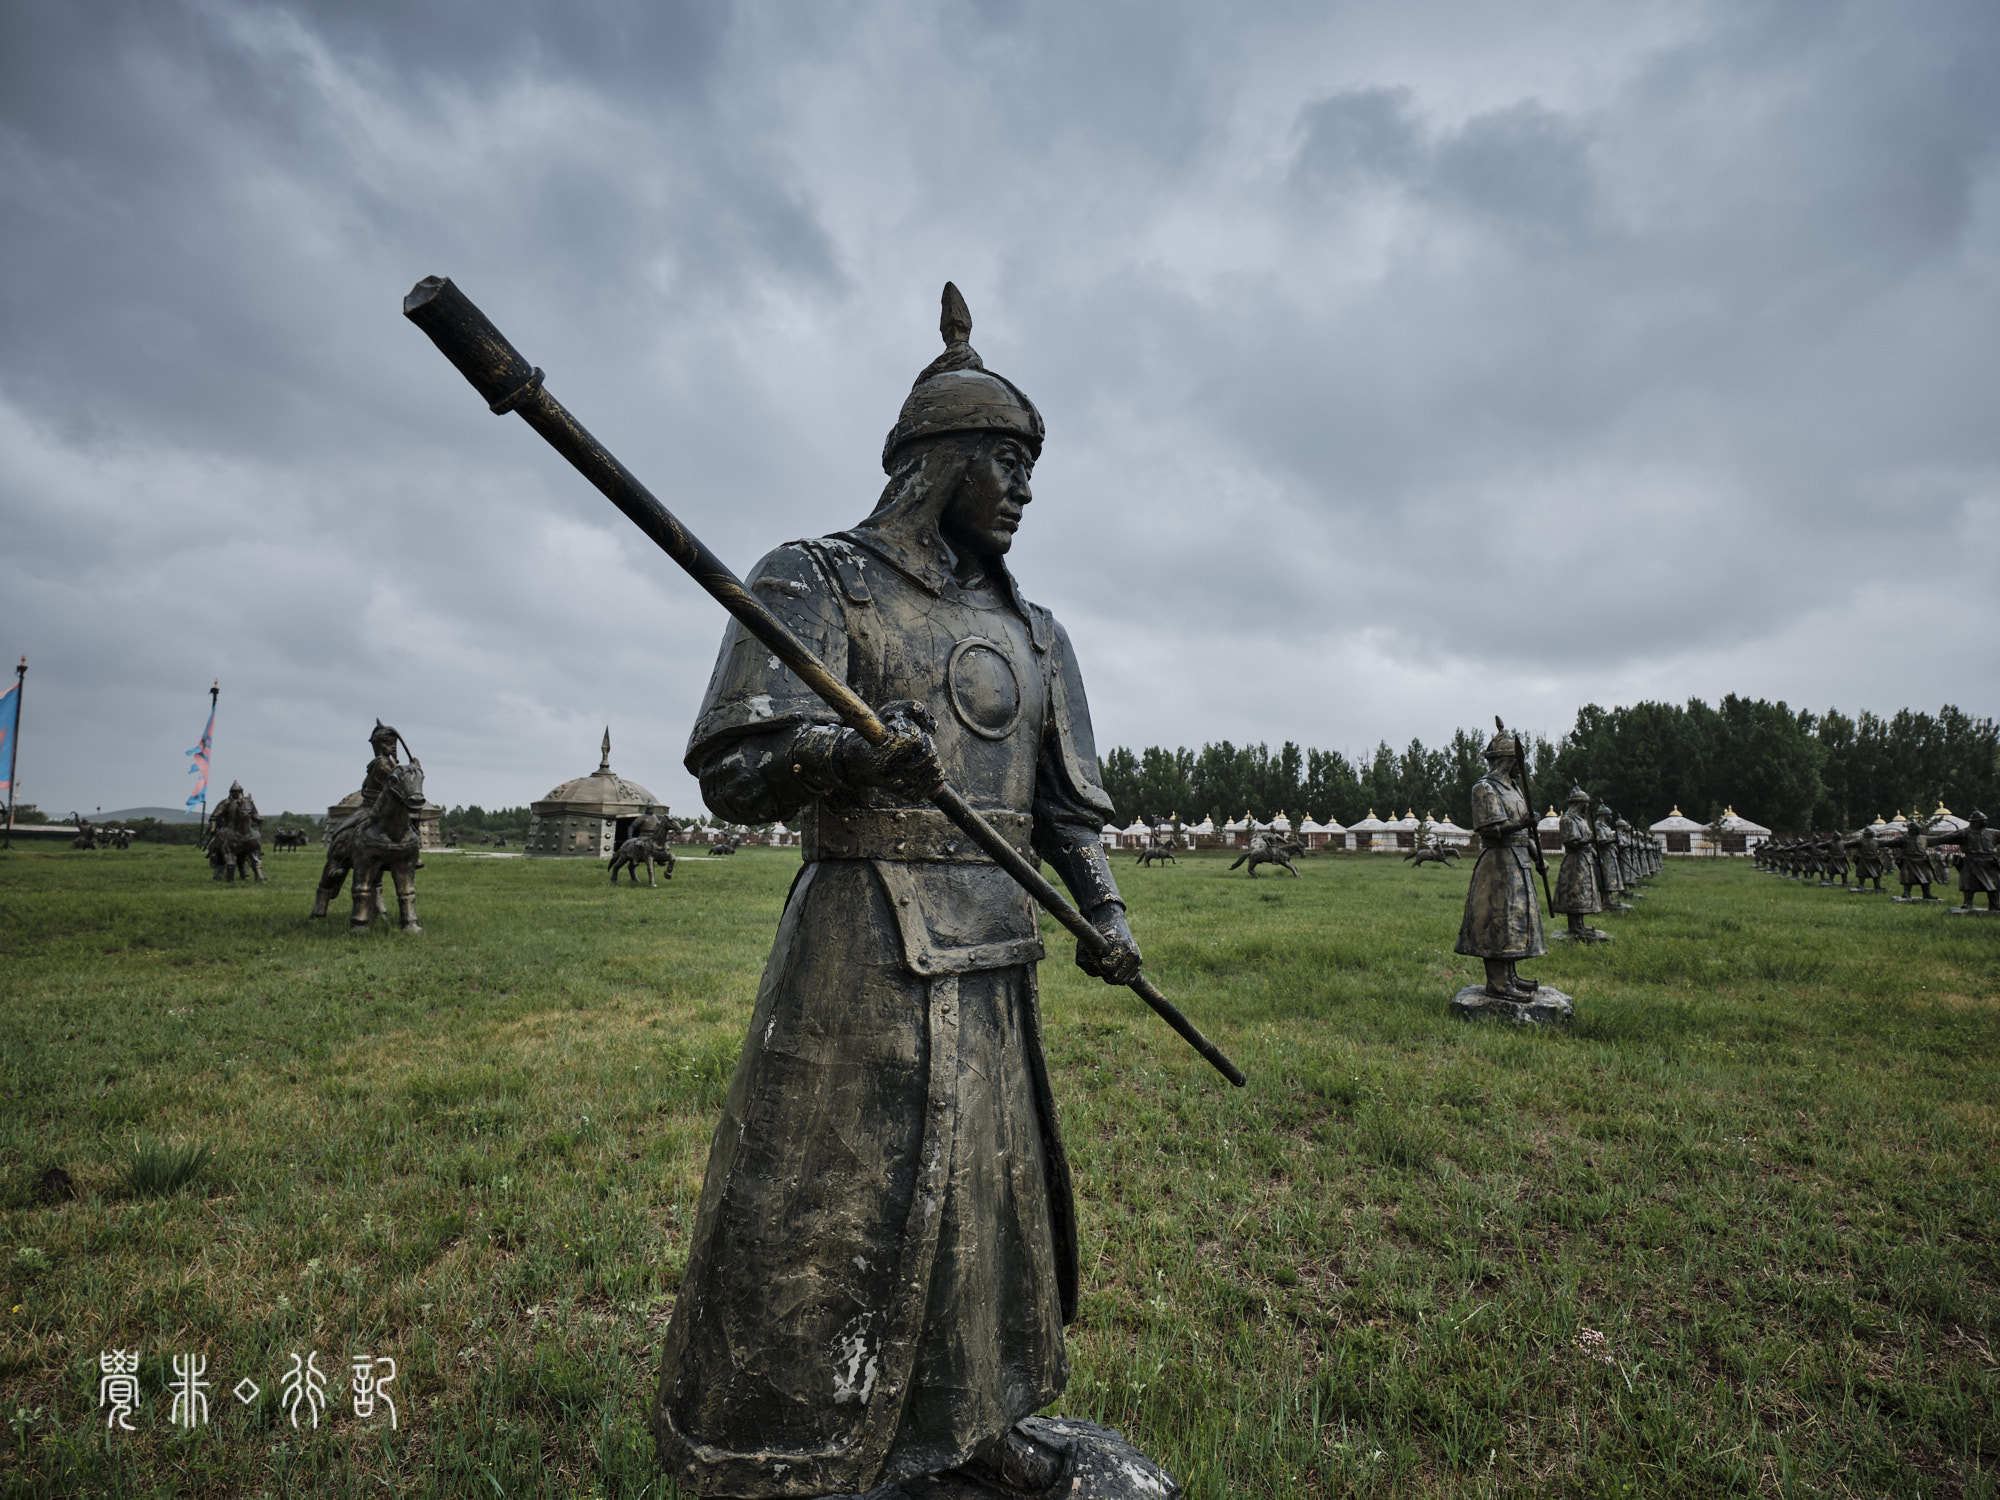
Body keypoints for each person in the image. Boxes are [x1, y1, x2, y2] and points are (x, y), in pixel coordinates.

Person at [654, 284, 1141, 1498]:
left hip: (994, 952)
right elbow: (733, 765)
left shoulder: (1035, 633)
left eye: (1031, 467)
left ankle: (982, 1416)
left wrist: (1106, 917)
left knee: (988, 1200)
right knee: (829, 1205)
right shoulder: (818, 580)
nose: (1023, 490)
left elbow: (1067, 807)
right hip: (856, 956)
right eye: (1005, 463)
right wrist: (849, 750)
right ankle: (789, 1444)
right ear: (939, 462)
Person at [1453, 722, 1547, 997]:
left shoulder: (1515, 789)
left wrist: (1536, 854)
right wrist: (1522, 824)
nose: (1521, 766)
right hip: (1498, 864)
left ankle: (1510, 976)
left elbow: (1524, 830)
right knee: (1497, 920)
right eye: (1519, 761)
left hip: (1518, 862)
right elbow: (1489, 829)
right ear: (1507, 760)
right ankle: (1497, 982)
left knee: (1514, 921)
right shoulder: (1484, 788)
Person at [1551, 784, 1608, 942]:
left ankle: (1580, 925)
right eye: (1585, 805)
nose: (1586, 808)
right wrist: (1589, 840)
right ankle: (1573, 926)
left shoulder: (1581, 820)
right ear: (1578, 804)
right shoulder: (1568, 819)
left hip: (1584, 860)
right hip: (1574, 861)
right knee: (1574, 892)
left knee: (1583, 892)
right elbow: (1570, 841)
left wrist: (1593, 850)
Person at [1926, 810, 1998, 913]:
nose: (1984, 823)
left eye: (1984, 821)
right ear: (1974, 822)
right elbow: (1941, 839)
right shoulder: (1964, 833)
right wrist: (1924, 840)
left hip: (1990, 863)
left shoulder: (1992, 833)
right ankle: (1967, 903)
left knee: (1994, 885)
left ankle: (1994, 905)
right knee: (1970, 885)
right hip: (1972, 862)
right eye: (1981, 821)